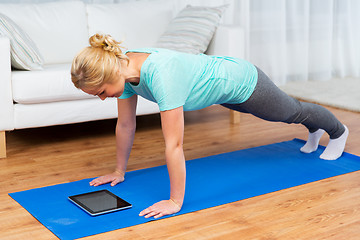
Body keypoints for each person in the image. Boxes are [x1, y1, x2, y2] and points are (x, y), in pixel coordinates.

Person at [71, 34, 349, 219]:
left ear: (111, 73)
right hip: (222, 92)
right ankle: (314, 129)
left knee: (290, 112)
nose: (103, 98)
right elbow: (125, 125)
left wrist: (175, 202)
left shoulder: (160, 75)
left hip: (241, 82)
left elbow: (174, 144)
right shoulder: (124, 70)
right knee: (290, 114)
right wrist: (119, 171)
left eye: (102, 91)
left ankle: (337, 132)